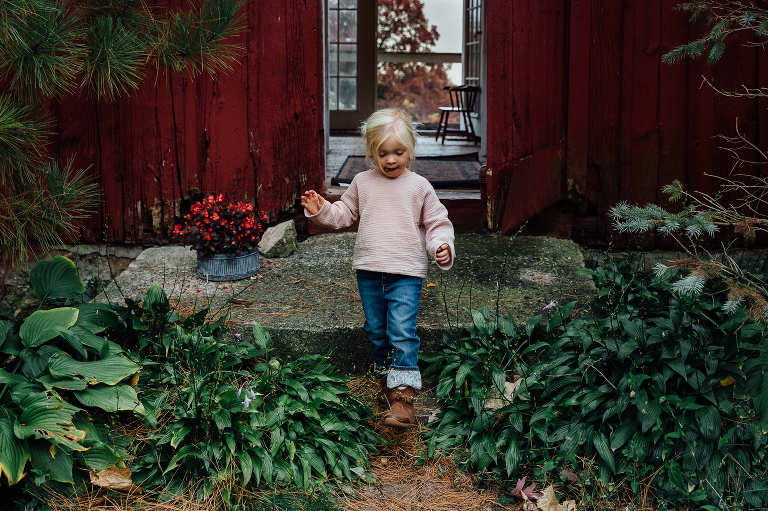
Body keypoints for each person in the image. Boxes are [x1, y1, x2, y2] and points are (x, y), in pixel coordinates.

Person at [300, 108, 455, 428]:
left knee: (401, 329)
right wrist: (322, 210)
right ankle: (388, 377)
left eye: (398, 152)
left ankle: (404, 398)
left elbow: (437, 222)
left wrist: (441, 246)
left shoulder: (419, 186)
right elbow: (344, 213)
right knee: (375, 329)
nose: (390, 160)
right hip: (369, 270)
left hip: (406, 272)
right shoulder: (362, 182)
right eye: (381, 153)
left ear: (410, 149)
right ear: (371, 151)